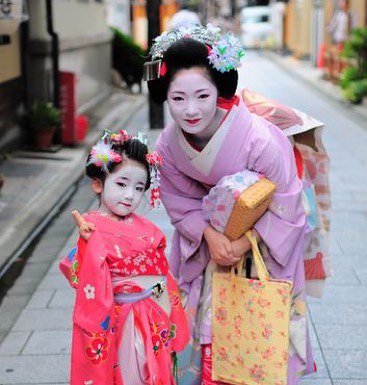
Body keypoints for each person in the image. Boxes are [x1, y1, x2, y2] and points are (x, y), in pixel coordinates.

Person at [145, 25, 316, 385]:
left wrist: (240, 242)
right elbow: (178, 201)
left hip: (259, 247)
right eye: (178, 99)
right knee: (206, 336)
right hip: (208, 246)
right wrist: (209, 235)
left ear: (219, 91)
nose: (190, 110)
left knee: (255, 339)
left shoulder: (260, 140)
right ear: (165, 96)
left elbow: (288, 203)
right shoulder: (168, 145)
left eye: (202, 96)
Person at [59, 132, 189, 385]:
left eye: (139, 188)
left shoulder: (149, 230)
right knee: (127, 374)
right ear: (98, 184)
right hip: (116, 318)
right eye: (121, 184)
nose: (130, 195)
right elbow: (81, 279)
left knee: (149, 372)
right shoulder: (91, 227)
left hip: (151, 315)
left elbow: (163, 278)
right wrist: (87, 245)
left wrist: (170, 313)